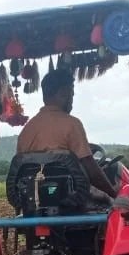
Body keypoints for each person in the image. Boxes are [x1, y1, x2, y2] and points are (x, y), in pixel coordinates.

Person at [15, 67, 121, 201]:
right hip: (70, 202)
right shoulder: (72, 124)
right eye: (71, 94)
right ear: (63, 93)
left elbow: (19, 172)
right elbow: (90, 169)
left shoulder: (26, 132)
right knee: (108, 203)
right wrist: (113, 193)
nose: (72, 100)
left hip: (33, 203)